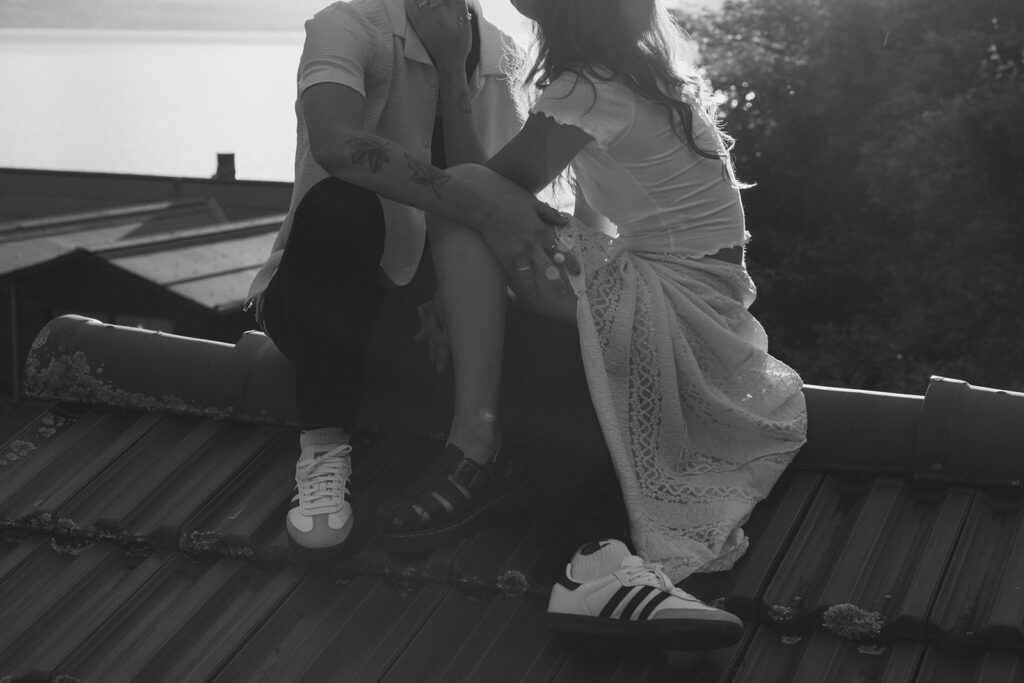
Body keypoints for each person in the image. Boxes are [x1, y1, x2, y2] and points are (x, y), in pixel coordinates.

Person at [378, 0, 808, 649]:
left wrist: (448, 65)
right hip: (711, 312)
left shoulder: (585, 87)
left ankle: (473, 448)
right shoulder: (637, 77)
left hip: (671, 303)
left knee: (461, 194)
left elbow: (471, 192)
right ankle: (592, 557)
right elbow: (591, 223)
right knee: (513, 270)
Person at [246, 0, 566, 553]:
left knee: (561, 332)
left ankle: (560, 517)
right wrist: (476, 208)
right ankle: (323, 444)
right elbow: (336, 143)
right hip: (319, 300)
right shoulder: (348, 24)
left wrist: (450, 68)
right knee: (343, 204)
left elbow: (492, 190)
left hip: (423, 324)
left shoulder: (502, 55)